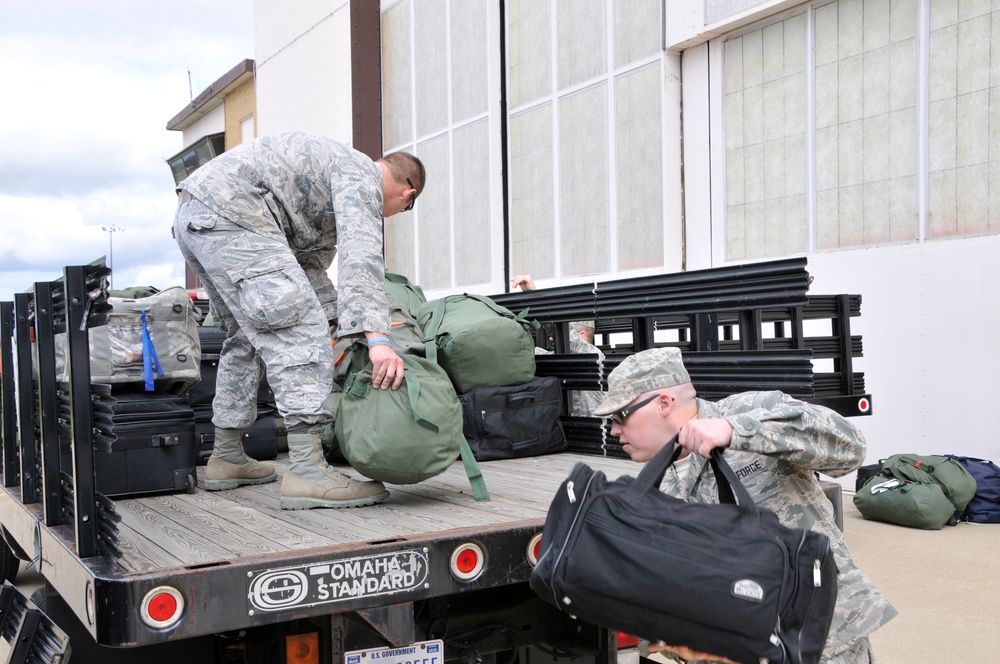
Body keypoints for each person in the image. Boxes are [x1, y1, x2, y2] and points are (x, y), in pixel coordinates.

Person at [594, 347, 896, 664]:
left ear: (664, 404)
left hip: (821, 641)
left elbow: (850, 447)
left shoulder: (748, 411)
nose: (613, 429)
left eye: (621, 415)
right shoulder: (653, 485)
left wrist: (737, 432)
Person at [173, 132, 425, 510]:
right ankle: (308, 471)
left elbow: (309, 271)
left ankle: (226, 457)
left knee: (248, 335)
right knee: (297, 326)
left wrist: (340, 321)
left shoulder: (323, 183)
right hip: (233, 212)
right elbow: (362, 254)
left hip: (198, 215)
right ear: (408, 194)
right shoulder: (361, 174)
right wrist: (378, 340)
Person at [510, 275, 604, 416]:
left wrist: (533, 294)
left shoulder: (595, 356)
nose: (553, 338)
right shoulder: (554, 358)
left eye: (563, 332)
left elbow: (565, 335)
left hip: (590, 434)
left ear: (582, 336)